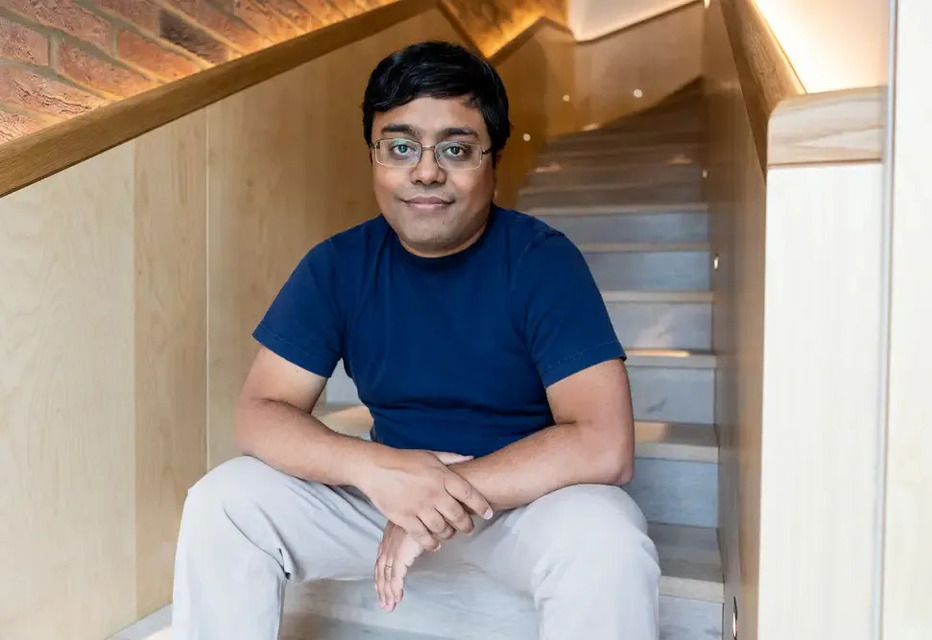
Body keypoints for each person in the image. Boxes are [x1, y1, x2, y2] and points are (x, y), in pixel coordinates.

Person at [171, 40, 658, 639]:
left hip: (518, 507)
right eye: (400, 147)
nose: (426, 172)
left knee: (608, 536)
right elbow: (260, 412)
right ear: (374, 158)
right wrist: (378, 470)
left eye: (456, 149)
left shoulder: (542, 261)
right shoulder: (337, 265)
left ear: (494, 163)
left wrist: (440, 492)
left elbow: (605, 444)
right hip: (384, 501)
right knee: (225, 500)